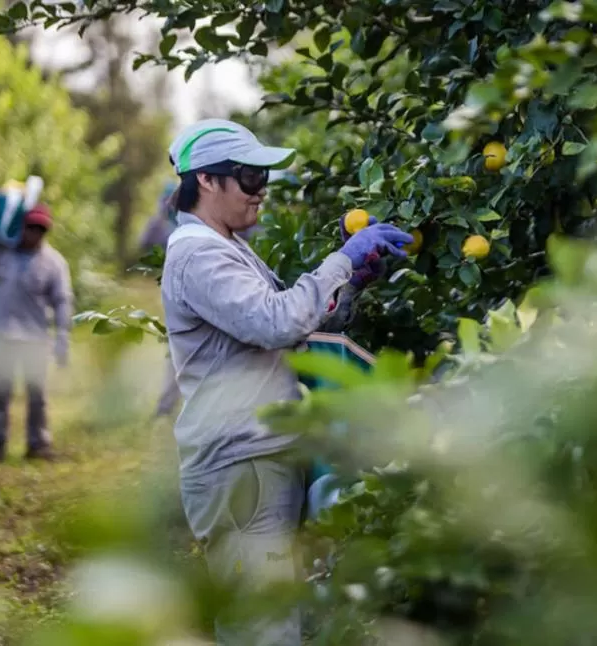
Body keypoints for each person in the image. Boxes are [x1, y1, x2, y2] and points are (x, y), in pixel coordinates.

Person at [160, 118, 411, 645]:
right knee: (263, 629)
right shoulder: (197, 254)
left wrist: (351, 282)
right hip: (240, 465)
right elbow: (275, 321)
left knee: (283, 617)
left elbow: (292, 328)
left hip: (262, 457)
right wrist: (341, 261)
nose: (262, 191)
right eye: (250, 177)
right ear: (207, 180)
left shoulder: (227, 245)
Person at [0, 204, 73, 464]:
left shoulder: (54, 262)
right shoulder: (0, 253)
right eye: (30, 227)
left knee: (38, 397)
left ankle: (39, 446)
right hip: (1, 336)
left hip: (35, 339)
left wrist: (63, 337)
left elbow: (63, 300)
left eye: (40, 229)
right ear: (20, 226)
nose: (34, 233)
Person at [137, 183, 181, 419]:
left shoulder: (189, 224)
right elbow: (143, 244)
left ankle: (168, 405)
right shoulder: (161, 225)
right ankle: (166, 406)